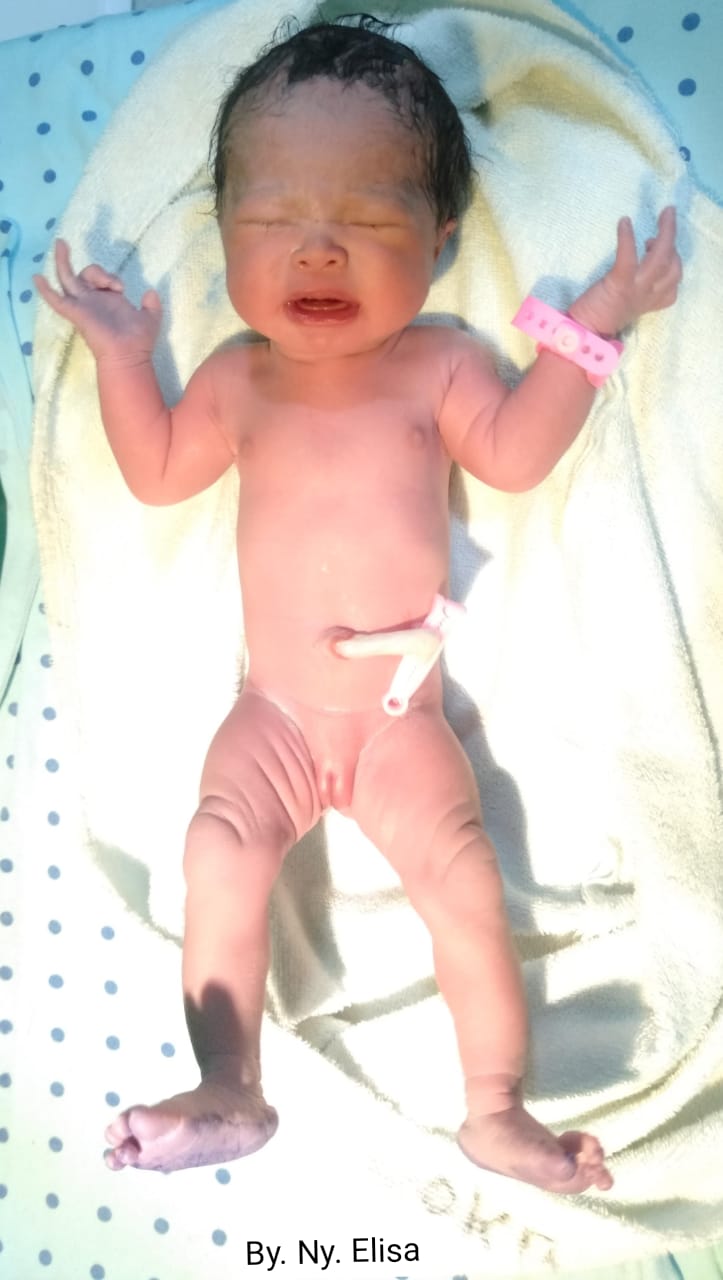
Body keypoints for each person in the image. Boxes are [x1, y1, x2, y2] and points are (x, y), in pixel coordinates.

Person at [34, 14, 681, 1191]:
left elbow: (515, 453)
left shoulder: (436, 363)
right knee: (218, 847)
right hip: (272, 714)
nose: (319, 252)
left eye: (371, 222)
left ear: (440, 241)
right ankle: (229, 1076)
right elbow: (158, 471)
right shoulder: (238, 377)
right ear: (223, 232)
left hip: (398, 720)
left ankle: (496, 1103)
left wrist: (588, 330)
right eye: (274, 219)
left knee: (463, 872)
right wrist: (126, 355)